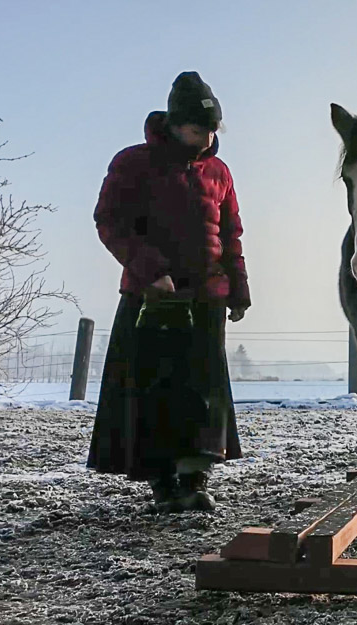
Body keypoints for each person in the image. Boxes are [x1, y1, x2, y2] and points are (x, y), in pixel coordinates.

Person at [86, 71, 250, 512]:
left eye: (211, 129)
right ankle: (162, 485)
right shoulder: (133, 163)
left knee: (203, 393)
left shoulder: (219, 172)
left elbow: (230, 233)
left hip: (207, 297)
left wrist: (238, 287)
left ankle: (194, 480)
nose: (206, 137)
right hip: (153, 298)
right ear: (176, 124)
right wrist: (150, 270)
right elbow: (110, 221)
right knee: (155, 391)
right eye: (198, 128)